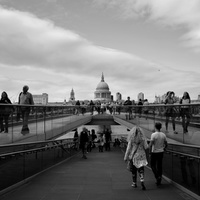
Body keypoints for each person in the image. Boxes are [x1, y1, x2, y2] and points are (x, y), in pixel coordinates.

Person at [149, 122, 168, 186]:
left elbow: (151, 144)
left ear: (155, 127)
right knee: (159, 166)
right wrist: (164, 148)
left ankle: (157, 176)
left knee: (152, 165)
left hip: (154, 152)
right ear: (160, 127)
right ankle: (159, 179)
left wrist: (149, 152)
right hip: (161, 152)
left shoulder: (153, 135)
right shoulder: (163, 135)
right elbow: (166, 143)